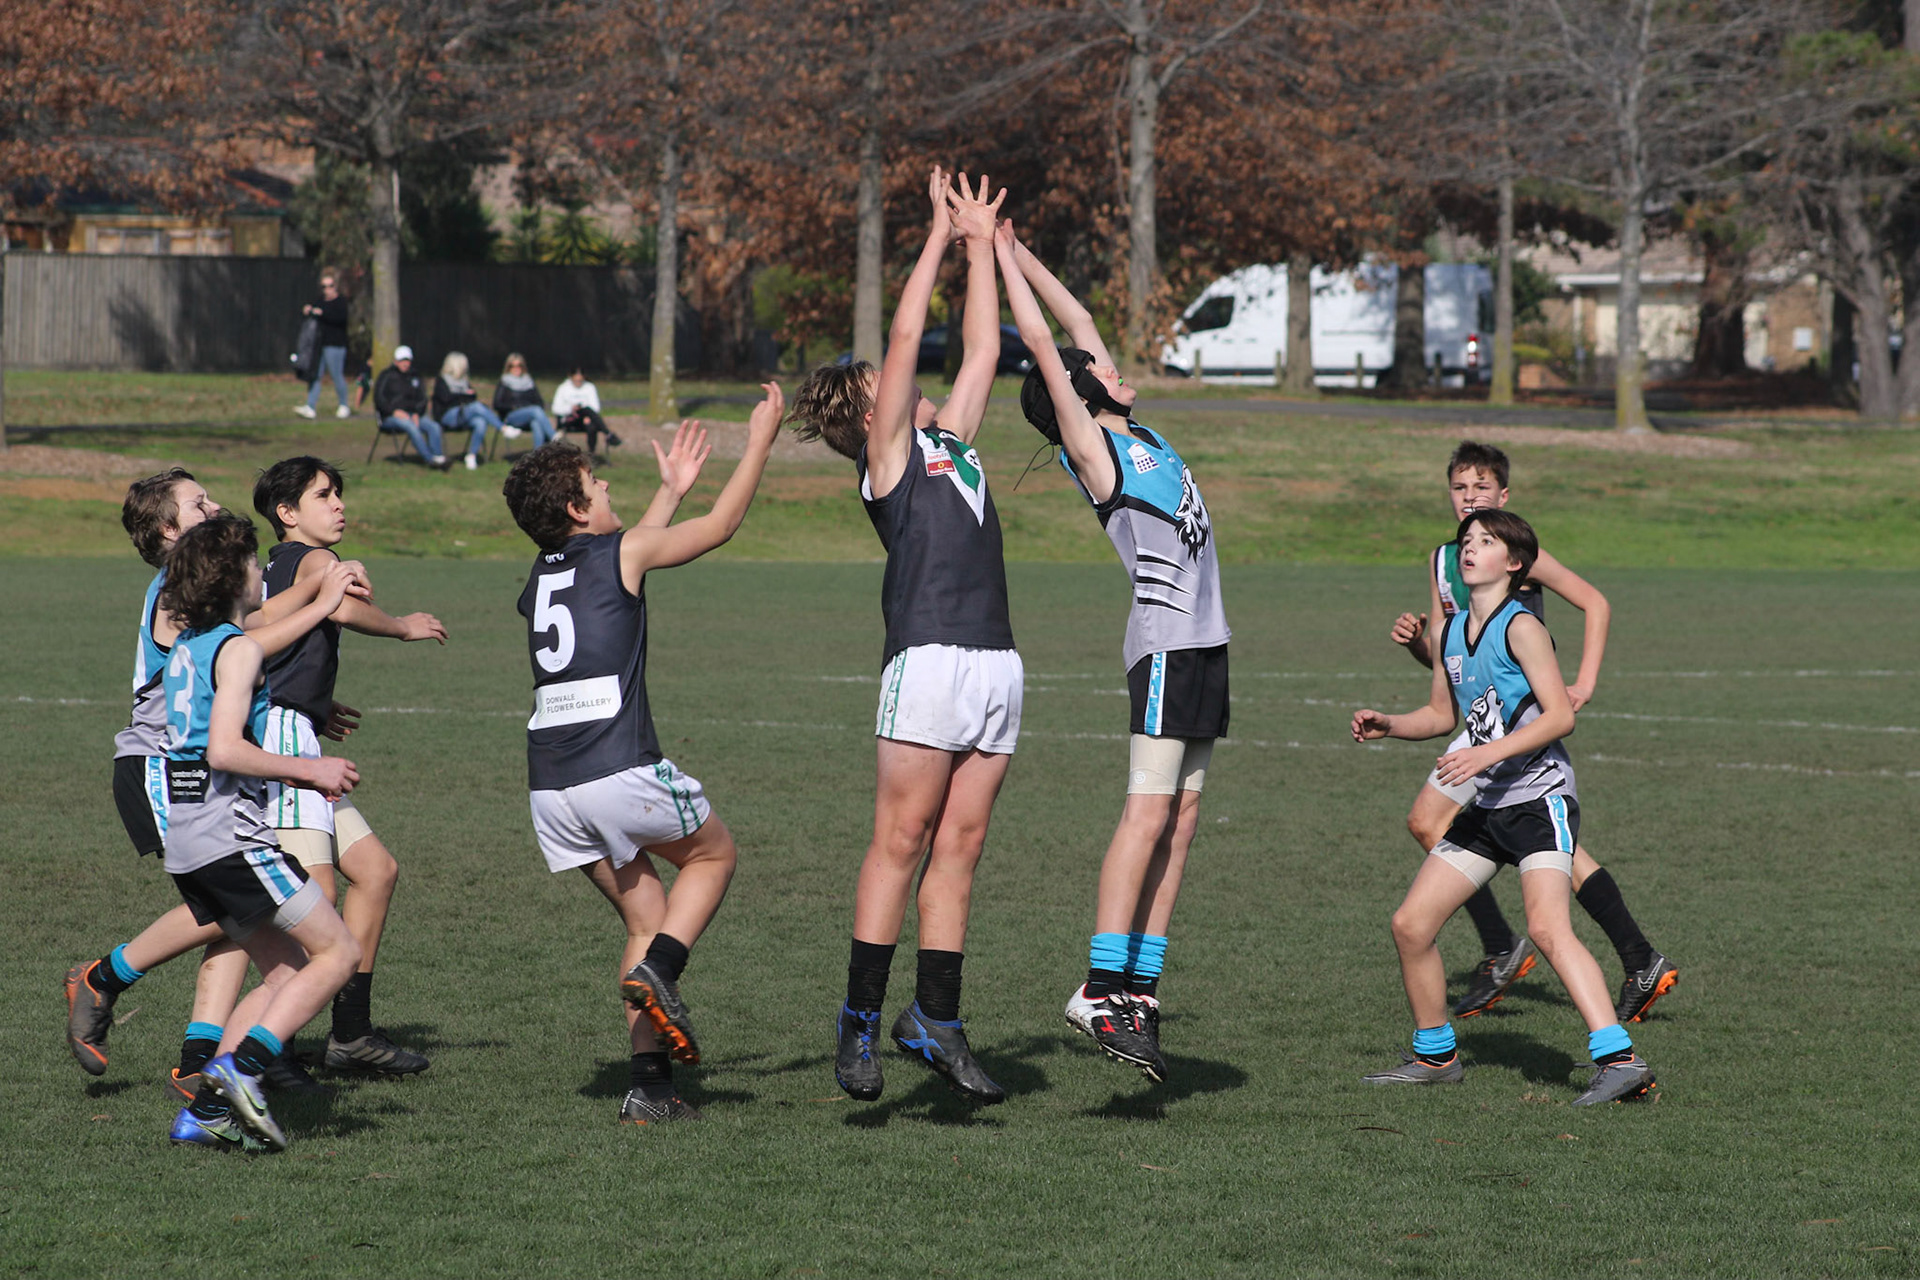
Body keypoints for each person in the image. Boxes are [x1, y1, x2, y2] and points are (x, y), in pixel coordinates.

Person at [787, 169, 1019, 1106]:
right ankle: (857, 1024)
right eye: (884, 382)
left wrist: (981, 246)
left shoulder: (951, 441)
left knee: (960, 846)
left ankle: (936, 1020)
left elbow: (984, 345)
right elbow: (908, 335)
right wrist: (932, 235)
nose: (903, 378)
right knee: (902, 839)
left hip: (995, 661)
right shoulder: (886, 460)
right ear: (870, 412)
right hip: (926, 658)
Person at [501, 398, 779, 1124]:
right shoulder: (619, 553)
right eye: (597, 485)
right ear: (577, 508)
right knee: (713, 857)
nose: (606, 489)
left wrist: (669, 491)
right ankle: (663, 970)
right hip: (617, 769)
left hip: (551, 788)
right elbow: (719, 528)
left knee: (645, 916)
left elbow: (624, 553)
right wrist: (759, 441)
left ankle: (648, 1089)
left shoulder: (539, 578)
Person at [998, 221, 1230, 1085]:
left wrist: (1019, 249)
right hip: (1165, 649)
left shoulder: (1141, 434)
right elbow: (1048, 346)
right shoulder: (1093, 451)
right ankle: (1098, 989)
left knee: (1184, 822)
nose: (1112, 363)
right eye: (1093, 369)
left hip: (1207, 647)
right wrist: (992, 259)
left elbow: (1078, 322)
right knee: (1146, 813)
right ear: (1075, 391)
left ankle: (1140, 991)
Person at [66, 469, 367, 1102]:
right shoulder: (174, 590)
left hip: (192, 769)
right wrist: (322, 595)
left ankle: (203, 1064)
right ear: (169, 530)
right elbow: (250, 636)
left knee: (238, 909)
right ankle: (109, 980)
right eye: (198, 503)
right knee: (230, 898)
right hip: (164, 768)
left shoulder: (197, 599)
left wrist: (302, 696)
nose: (215, 505)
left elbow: (246, 637)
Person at [1352, 509, 1657, 1107]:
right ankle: (1435, 1056)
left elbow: (1560, 715)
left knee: (1547, 927)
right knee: (1411, 926)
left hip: (1539, 799)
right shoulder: (1451, 632)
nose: (1469, 548)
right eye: (1466, 540)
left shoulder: (1522, 627)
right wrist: (1390, 724)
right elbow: (1442, 715)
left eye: (1486, 541)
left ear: (1514, 563)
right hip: (1490, 805)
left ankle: (1620, 1061)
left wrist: (1485, 753)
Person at [1389, 441, 1677, 1023]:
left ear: (1503, 496)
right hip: (1480, 719)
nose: (1470, 498)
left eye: (1481, 487)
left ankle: (1512, 949)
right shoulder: (1446, 560)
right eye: (1460, 488)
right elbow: (1449, 662)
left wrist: (1583, 683)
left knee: (1492, 831)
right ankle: (1632, 955)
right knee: (1452, 827)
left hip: (1519, 723)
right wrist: (1419, 643)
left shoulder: (1514, 552)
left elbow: (1595, 603)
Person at [158, 512, 365, 1151]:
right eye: (253, 564)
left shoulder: (192, 648)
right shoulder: (238, 648)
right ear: (233, 579)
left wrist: (323, 603)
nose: (261, 573)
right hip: (230, 837)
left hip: (189, 841)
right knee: (339, 953)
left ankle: (204, 1113)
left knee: (285, 974)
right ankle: (239, 1071)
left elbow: (254, 646)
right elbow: (224, 748)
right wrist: (310, 769)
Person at [253, 457, 448, 1077]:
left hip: (296, 729)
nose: (338, 504)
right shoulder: (313, 560)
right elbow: (339, 608)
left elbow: (279, 648)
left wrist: (314, 701)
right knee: (313, 899)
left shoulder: (277, 566)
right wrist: (402, 627)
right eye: (323, 495)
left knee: (376, 870)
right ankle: (271, 1051)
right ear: (287, 513)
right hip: (285, 743)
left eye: (338, 493)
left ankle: (351, 1034)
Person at [372, 345, 449, 469]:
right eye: (402, 360)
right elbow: (379, 399)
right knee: (410, 426)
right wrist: (393, 412)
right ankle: (430, 460)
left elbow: (422, 399)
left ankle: (439, 457)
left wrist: (417, 413)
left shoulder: (415, 376)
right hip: (390, 417)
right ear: (396, 361)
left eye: (407, 360)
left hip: (413, 415)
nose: (405, 363)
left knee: (434, 426)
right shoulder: (386, 376)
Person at [431, 351, 506, 470]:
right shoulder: (442, 380)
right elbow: (447, 399)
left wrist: (462, 395)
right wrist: (463, 395)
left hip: (463, 415)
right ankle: (503, 428)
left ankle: (471, 455)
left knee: (480, 422)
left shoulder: (463, 381)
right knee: (476, 406)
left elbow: (473, 396)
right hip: (447, 416)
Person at [296, 269, 352, 420]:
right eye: (324, 286)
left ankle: (344, 405)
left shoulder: (340, 302)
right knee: (315, 375)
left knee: (336, 375)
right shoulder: (320, 300)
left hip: (335, 345)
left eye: (330, 286)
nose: (327, 289)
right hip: (319, 344)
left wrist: (323, 314)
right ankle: (310, 406)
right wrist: (308, 310)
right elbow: (312, 311)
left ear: (335, 286)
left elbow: (340, 319)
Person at [551, 366, 621, 455]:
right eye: (576, 380)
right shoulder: (563, 388)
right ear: (571, 377)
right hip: (568, 419)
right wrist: (571, 408)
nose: (578, 383)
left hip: (585, 419)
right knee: (586, 409)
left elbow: (595, 407)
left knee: (591, 426)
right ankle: (608, 434)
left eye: (580, 381)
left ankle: (591, 454)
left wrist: (587, 416)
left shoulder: (589, 387)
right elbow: (556, 408)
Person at [494, 352, 555, 448]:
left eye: (519, 365)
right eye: (512, 366)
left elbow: (540, 402)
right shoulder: (504, 382)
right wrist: (513, 407)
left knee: (536, 423)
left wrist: (528, 407)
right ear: (508, 367)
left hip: (530, 416)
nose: (516, 368)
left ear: (523, 367)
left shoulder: (529, 381)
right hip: (511, 417)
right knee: (535, 410)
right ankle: (554, 438)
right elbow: (497, 404)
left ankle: (538, 454)